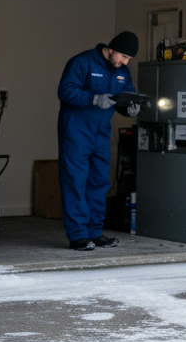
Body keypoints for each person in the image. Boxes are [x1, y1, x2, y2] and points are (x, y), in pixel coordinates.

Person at [56, 31, 142, 251]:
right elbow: (65, 91)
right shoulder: (82, 62)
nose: (125, 62)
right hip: (76, 131)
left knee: (99, 182)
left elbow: (126, 94)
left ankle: (94, 232)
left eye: (129, 60)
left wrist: (130, 108)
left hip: (101, 132)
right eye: (123, 56)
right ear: (111, 49)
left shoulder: (123, 71)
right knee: (76, 181)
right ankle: (78, 236)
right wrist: (93, 98)